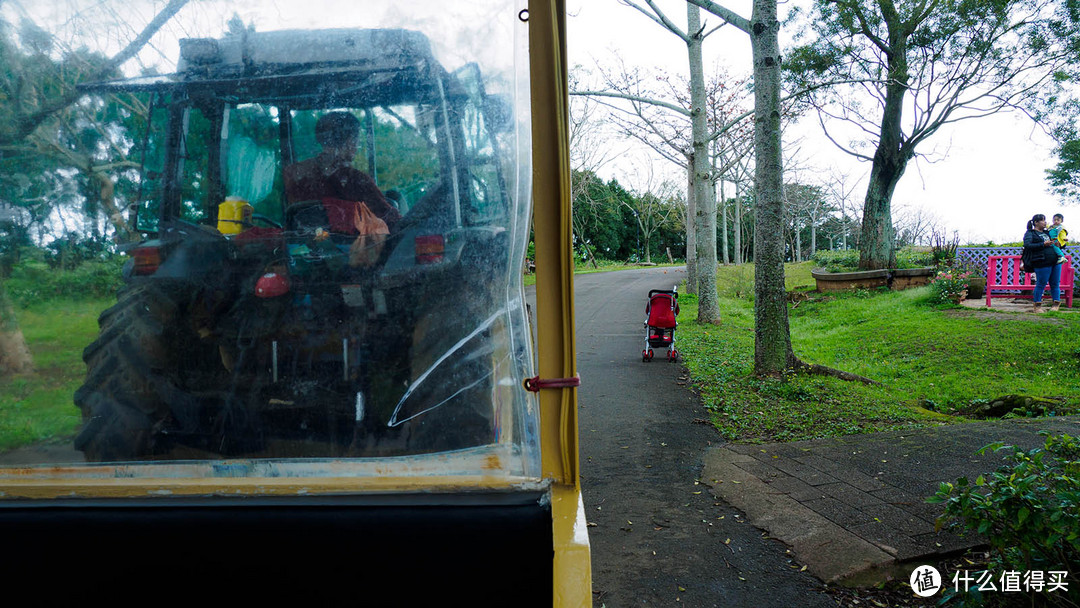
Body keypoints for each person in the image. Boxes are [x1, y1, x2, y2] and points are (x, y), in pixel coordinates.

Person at [283, 112, 401, 233]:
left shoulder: (294, 174)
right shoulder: (356, 180)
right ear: (350, 141)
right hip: (353, 248)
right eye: (357, 140)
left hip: (302, 247)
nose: (357, 145)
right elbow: (391, 220)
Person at [1023, 213, 1062, 312]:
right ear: (1036, 222)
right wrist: (1043, 244)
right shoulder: (1030, 233)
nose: (1045, 222)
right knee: (1041, 283)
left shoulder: (1048, 233)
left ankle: (1055, 305)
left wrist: (1059, 243)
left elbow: (1058, 244)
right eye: (1043, 220)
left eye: (1045, 220)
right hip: (1041, 261)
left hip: (1055, 261)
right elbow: (1027, 245)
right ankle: (1037, 306)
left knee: (1055, 283)